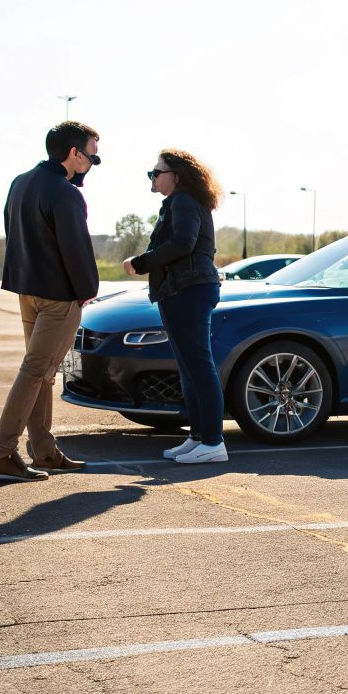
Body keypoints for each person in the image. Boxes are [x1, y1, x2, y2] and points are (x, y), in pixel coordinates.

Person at [0, 121, 102, 482]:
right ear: (73, 153)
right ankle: (3, 454)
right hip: (58, 298)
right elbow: (76, 250)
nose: (92, 166)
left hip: (28, 292)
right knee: (36, 372)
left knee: (43, 374)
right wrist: (87, 290)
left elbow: (13, 233)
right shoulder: (66, 194)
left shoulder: (20, 183)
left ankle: (45, 451)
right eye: (92, 158)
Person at [125, 150, 226, 463]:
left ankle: (212, 442)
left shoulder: (182, 201)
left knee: (198, 365)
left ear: (176, 175)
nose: (152, 178)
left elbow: (183, 243)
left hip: (189, 290)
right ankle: (198, 437)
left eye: (156, 172)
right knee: (188, 368)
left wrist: (141, 262)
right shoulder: (179, 202)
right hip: (181, 289)